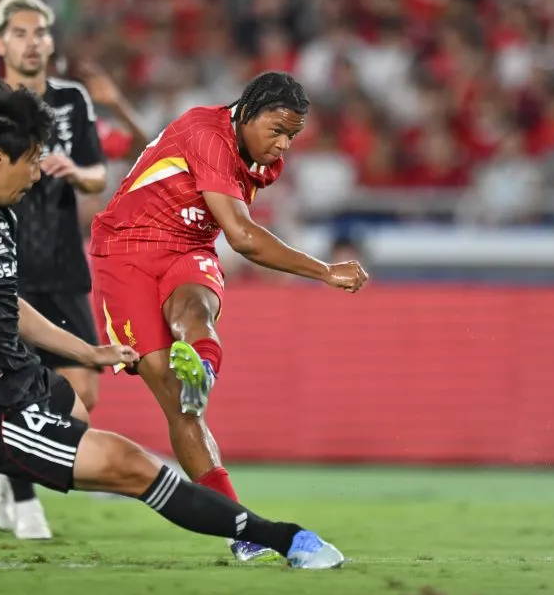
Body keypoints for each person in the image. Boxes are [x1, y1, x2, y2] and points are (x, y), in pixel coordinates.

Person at [0, 83, 344, 570]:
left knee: (76, 408)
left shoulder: (0, 215)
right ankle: (285, 538)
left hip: (29, 382)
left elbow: (11, 307)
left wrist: (88, 352)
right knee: (134, 466)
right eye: (31, 163)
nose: (36, 177)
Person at [89, 71, 369, 562]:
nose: (282, 146)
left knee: (195, 308)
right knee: (175, 403)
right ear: (246, 111)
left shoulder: (263, 161)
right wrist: (324, 270)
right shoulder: (205, 133)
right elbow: (241, 236)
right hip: (126, 249)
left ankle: (205, 369)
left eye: (292, 136)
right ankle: (239, 525)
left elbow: (227, 233)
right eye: (277, 130)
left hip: (188, 246)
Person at [0, 0, 150, 540]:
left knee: (82, 395)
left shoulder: (72, 100)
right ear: (0, 42)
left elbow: (98, 174)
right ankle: (21, 495)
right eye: (19, 33)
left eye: (39, 32)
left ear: (51, 40)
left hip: (62, 267)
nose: (32, 42)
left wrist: (71, 170)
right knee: (15, 386)